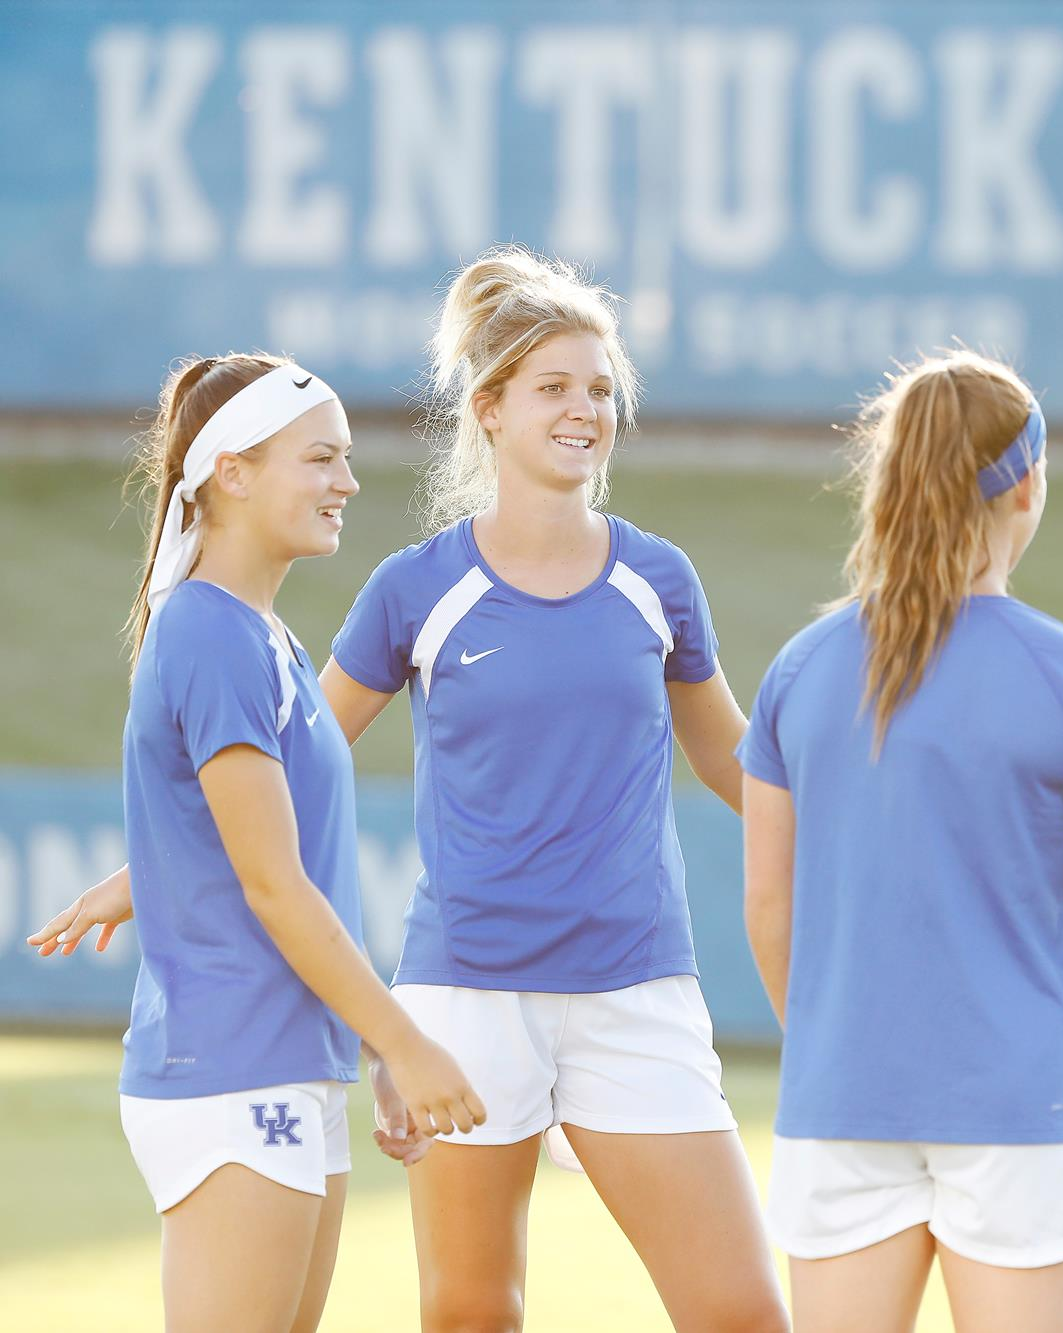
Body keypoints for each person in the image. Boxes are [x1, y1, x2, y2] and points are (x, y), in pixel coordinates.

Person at [309, 247, 788, 1332]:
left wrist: (858, 824)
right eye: (555, 387)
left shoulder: (656, 578)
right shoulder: (415, 588)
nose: (585, 409)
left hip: (636, 991)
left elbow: (730, 759)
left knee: (744, 1313)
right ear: (489, 408)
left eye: (602, 389)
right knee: (475, 1313)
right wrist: (144, 869)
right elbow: (298, 756)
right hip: (467, 999)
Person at [29, 353, 485, 1332]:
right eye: (321, 458)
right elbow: (274, 887)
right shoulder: (209, 635)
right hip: (231, 1070)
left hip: (290, 1064)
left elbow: (241, 852)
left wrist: (363, 1050)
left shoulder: (259, 635)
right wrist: (402, 1041)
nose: (347, 483)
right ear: (231, 469)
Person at [738, 350, 1063, 1333]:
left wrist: (829, 1041)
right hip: (1026, 1110)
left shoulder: (798, 671)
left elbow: (768, 907)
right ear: (1024, 484)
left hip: (840, 1103)